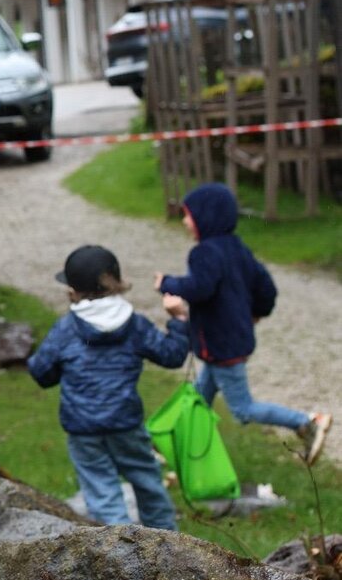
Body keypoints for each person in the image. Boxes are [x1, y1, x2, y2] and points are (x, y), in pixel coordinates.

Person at [156, 182, 331, 465]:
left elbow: (200, 288)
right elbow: (266, 288)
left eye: (188, 215)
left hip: (223, 346)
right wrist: (255, 315)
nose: (185, 221)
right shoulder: (237, 247)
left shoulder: (204, 253)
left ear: (206, 217)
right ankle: (177, 450)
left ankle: (308, 422)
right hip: (226, 342)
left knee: (242, 409)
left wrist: (167, 283)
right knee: (200, 396)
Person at [28, 245, 188, 530]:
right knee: (148, 483)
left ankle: (119, 554)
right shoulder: (134, 324)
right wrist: (179, 320)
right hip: (125, 422)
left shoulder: (67, 329)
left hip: (83, 428)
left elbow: (41, 372)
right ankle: (170, 546)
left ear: (73, 291)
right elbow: (172, 356)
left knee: (103, 494)